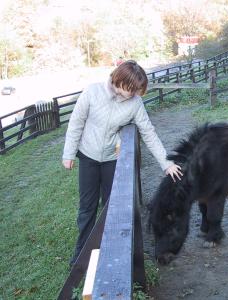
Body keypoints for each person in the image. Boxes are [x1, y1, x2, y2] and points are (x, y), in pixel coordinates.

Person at [62, 60, 183, 266]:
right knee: (87, 208)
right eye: (134, 88)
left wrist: (166, 163)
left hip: (111, 159)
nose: (136, 93)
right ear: (122, 82)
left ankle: (110, 250)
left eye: (139, 90)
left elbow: (148, 132)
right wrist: (68, 153)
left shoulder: (134, 103)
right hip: (88, 156)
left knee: (111, 206)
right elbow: (76, 123)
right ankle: (81, 254)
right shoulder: (92, 92)